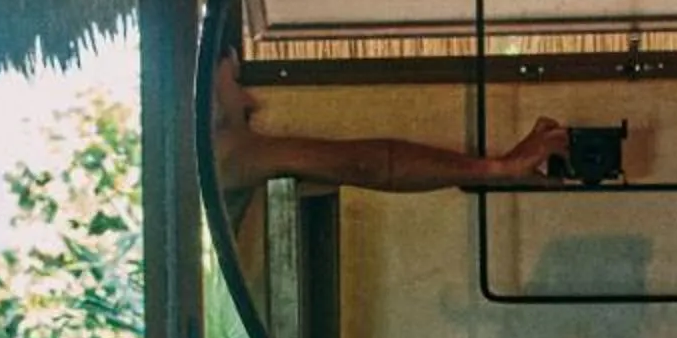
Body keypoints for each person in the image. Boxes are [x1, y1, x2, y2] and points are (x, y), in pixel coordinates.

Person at [210, 49, 568, 216]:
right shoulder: (221, 154)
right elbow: (371, 165)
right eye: (237, 82)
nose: (250, 102)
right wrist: (498, 169)